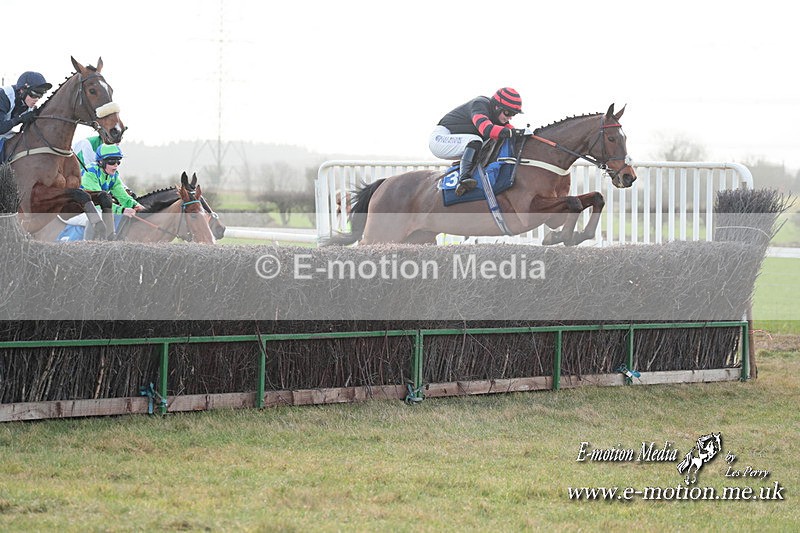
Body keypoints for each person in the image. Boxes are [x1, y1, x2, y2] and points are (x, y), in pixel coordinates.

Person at [429, 87, 522, 196]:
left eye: (513, 114)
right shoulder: (480, 104)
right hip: (440, 138)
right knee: (475, 140)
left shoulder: (498, 118)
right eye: (508, 112)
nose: (510, 117)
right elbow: (486, 129)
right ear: (497, 107)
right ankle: (463, 180)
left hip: (455, 141)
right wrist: (513, 132)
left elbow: (512, 131)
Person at [81, 144, 143, 217]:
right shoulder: (90, 173)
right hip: (78, 210)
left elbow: (123, 197)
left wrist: (136, 205)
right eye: (112, 161)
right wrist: (122, 210)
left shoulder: (113, 176)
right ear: (101, 162)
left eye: (118, 161)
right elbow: (96, 202)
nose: (116, 165)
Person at [0, 71, 52, 158]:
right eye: (34, 94)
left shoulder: (28, 105)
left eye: (40, 95)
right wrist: (20, 118)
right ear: (22, 90)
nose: (37, 99)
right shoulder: (4, 96)